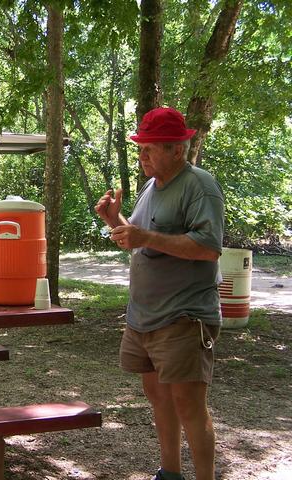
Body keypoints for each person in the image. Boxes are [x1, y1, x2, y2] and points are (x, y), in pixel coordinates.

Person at [95, 107, 224, 480]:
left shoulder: (199, 185)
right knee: (159, 399)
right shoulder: (152, 187)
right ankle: (169, 473)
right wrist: (114, 221)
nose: (142, 156)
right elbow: (140, 241)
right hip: (143, 318)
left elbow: (208, 247)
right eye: (140, 148)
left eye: (149, 149)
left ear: (177, 150)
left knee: (189, 405)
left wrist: (144, 236)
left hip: (183, 317)